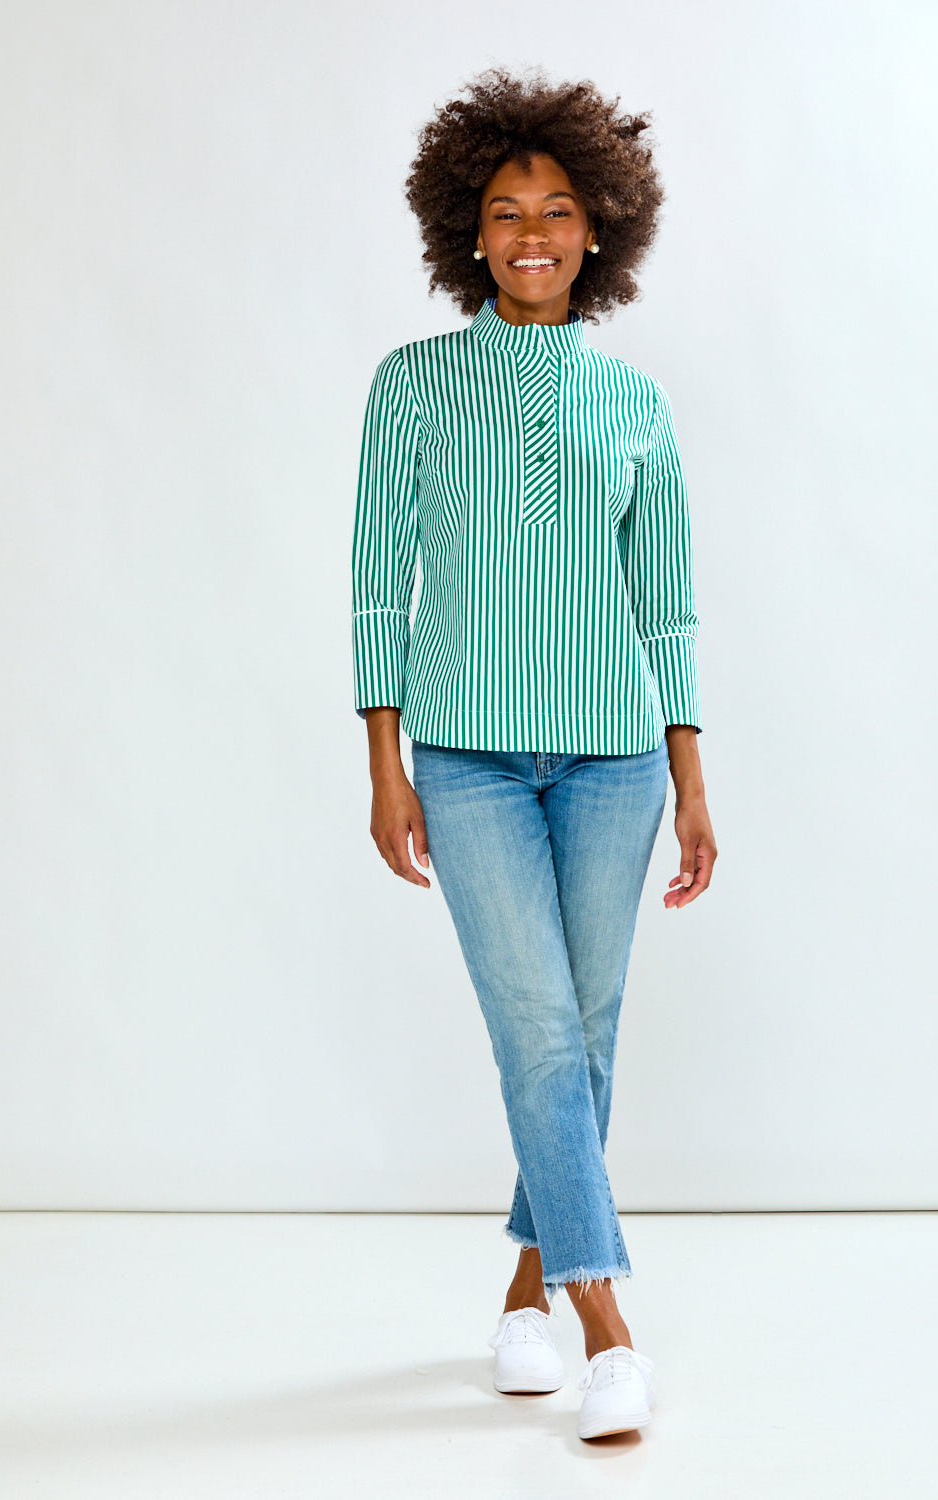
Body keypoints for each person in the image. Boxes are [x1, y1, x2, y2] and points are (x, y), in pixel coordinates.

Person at [350, 67, 718, 1441]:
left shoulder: (637, 408)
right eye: (506, 212)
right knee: (539, 1031)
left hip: (618, 761)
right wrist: (384, 761)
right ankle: (608, 1318)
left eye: (559, 210)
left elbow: (667, 610)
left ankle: (524, 1289)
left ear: (599, 229)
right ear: (468, 230)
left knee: (585, 1032)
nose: (533, 234)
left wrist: (689, 780)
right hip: (465, 757)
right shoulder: (411, 391)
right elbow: (380, 588)